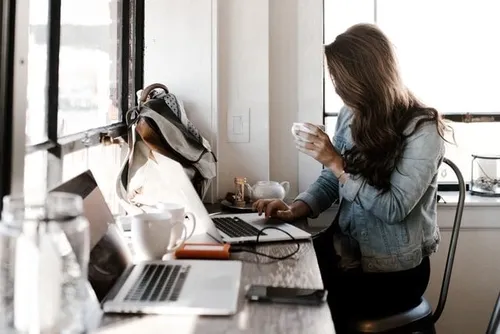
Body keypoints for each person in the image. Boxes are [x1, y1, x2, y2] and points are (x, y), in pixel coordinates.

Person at [253, 23, 449, 332]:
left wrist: (336, 162)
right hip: (345, 251)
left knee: (296, 305)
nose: (336, 87)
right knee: (267, 274)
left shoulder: (423, 129)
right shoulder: (351, 114)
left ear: (365, 76)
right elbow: (331, 180)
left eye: (340, 78)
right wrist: (296, 208)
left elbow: (393, 209)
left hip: (392, 272)